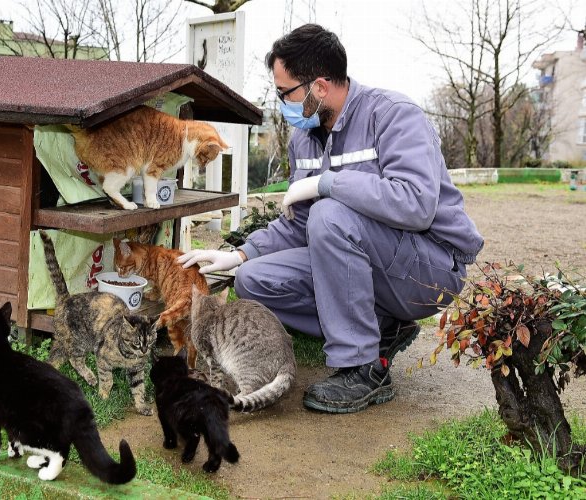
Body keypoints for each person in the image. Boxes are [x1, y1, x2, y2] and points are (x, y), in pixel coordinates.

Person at [178, 24, 483, 414]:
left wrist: (327, 183)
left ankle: (361, 367)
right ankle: (381, 328)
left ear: (319, 87)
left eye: (285, 92)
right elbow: (300, 223)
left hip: (428, 269)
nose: (281, 102)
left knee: (330, 212)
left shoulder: (394, 116)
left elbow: (416, 204)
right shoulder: (303, 140)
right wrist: (239, 255)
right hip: (369, 263)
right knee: (254, 280)